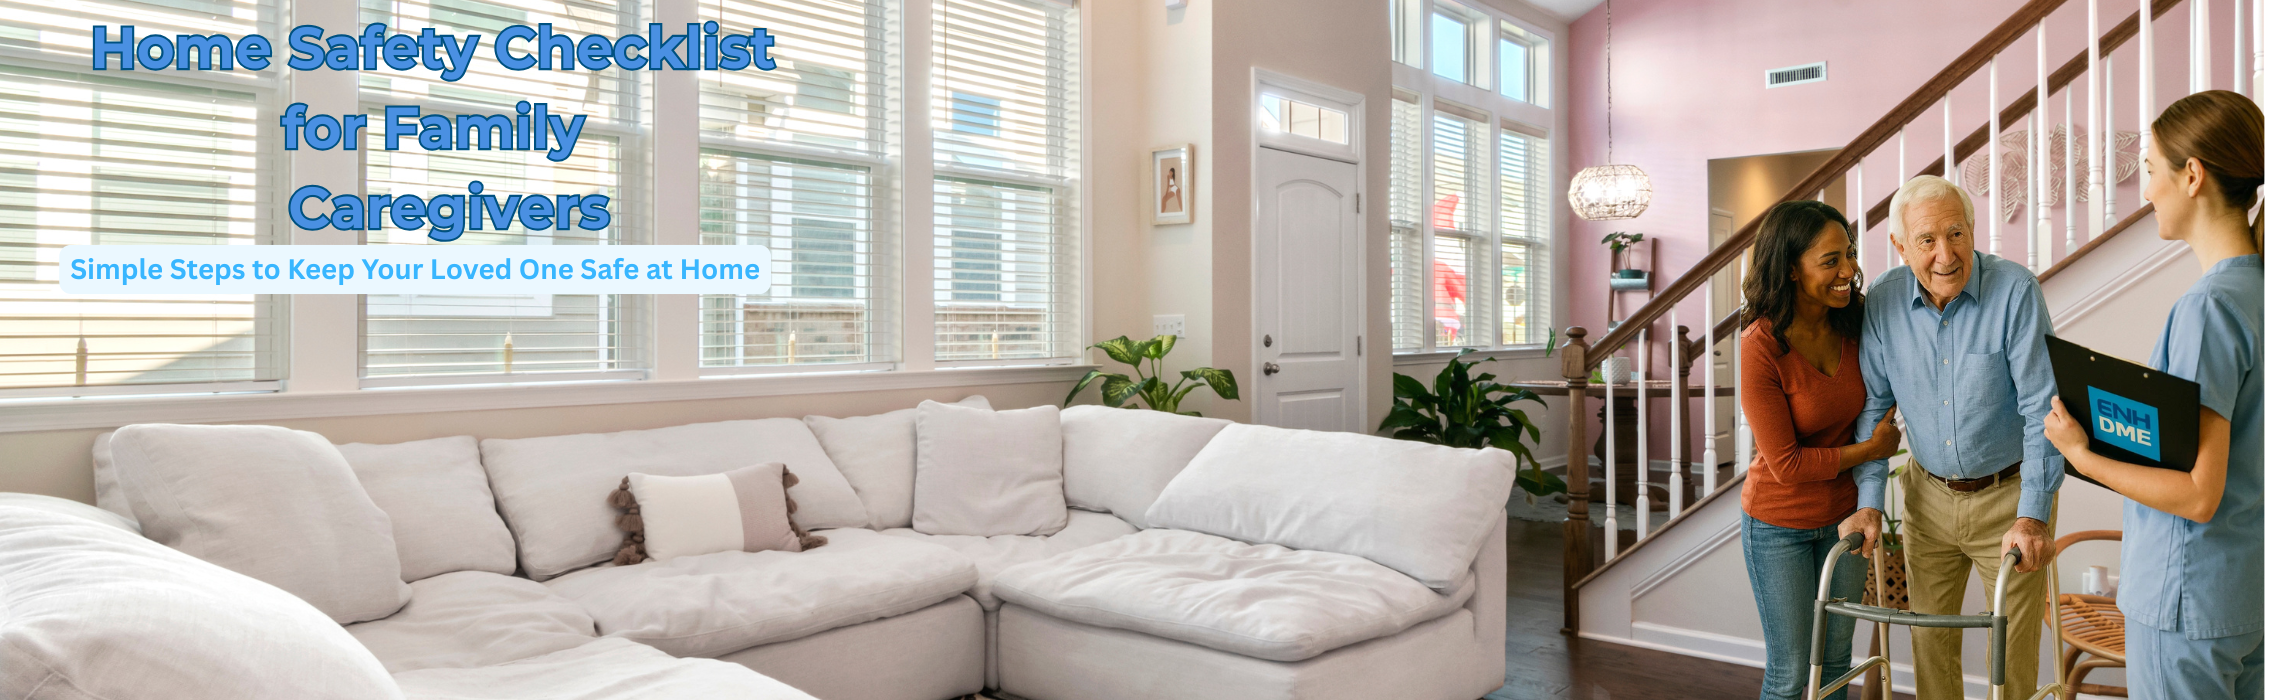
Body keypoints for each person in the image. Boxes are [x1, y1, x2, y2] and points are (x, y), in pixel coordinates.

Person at [2042, 89, 2263, 700]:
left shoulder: (2209, 309)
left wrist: (2081, 454)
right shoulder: (2259, 293)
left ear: (2191, 175)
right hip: (2246, 594)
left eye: (2148, 169)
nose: (2144, 191)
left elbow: (2197, 495)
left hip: (2189, 601)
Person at [1849, 174, 2060, 700]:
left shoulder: (2015, 291)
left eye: (1956, 234)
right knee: (1930, 646)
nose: (1945, 254)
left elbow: (2042, 409)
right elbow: (1874, 408)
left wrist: (2033, 516)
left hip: (2010, 498)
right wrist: (1869, 502)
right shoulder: (1884, 300)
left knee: (2009, 656)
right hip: (1928, 498)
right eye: (1926, 240)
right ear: (1900, 246)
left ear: (1972, 229)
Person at [1736, 200, 1902, 700]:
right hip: (1778, 525)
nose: (1848, 271)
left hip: (1844, 520)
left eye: (1849, 254)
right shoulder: (1760, 345)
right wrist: (1870, 449)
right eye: (1831, 260)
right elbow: (1787, 465)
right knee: (1790, 672)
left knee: (1834, 665)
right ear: (1791, 268)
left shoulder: (1855, 321)